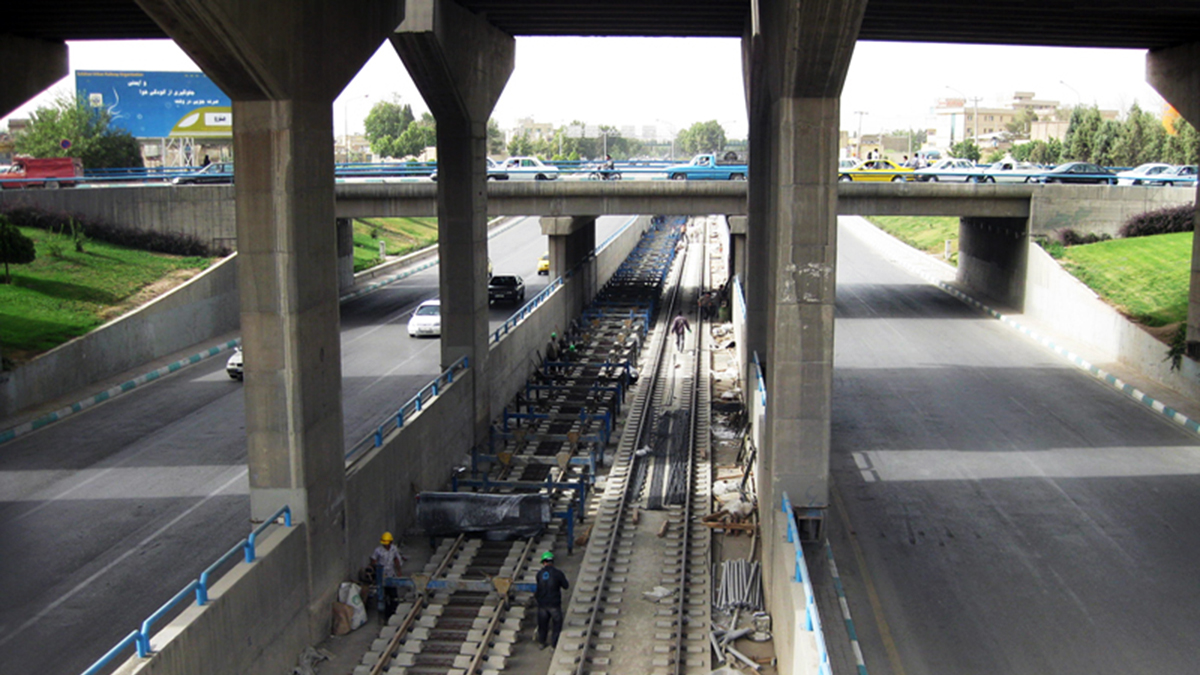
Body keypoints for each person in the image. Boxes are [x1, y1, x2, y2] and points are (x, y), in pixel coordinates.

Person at [535, 550, 569, 650]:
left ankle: (542, 642)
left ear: (543, 562)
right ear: (552, 562)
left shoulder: (539, 574)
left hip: (542, 605)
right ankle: (554, 644)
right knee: (556, 625)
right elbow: (566, 586)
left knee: (542, 625)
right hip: (554, 604)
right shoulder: (558, 573)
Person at [371, 532, 407, 615]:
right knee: (383, 594)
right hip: (382, 574)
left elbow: (396, 559)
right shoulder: (378, 550)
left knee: (393, 595)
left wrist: (399, 571)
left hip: (391, 573)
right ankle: (385, 613)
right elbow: (373, 560)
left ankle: (393, 610)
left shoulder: (394, 549)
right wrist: (376, 567)